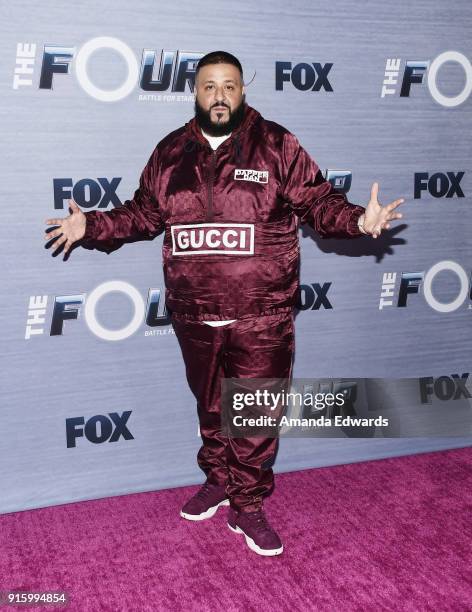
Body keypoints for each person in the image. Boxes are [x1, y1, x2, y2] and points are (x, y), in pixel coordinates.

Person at [44, 50, 405, 557]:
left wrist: (357, 221)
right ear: (195, 91)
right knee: (211, 407)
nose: (219, 96)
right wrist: (91, 226)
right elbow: (142, 215)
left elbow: (318, 203)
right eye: (209, 86)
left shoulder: (277, 144)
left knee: (254, 414)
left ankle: (248, 504)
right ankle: (218, 479)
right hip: (194, 311)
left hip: (262, 312)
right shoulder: (170, 152)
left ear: (243, 89)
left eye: (229, 86)